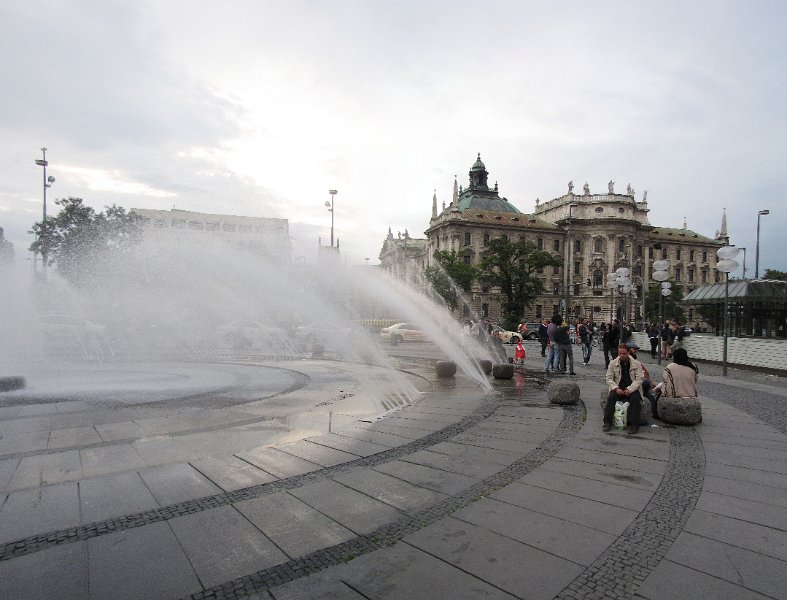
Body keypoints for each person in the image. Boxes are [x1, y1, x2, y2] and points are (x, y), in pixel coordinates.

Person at [603, 344, 644, 434]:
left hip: (631, 388)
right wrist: (615, 388)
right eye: (620, 353)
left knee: (636, 399)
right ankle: (607, 422)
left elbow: (639, 379)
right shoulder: (613, 363)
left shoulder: (636, 364)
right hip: (618, 387)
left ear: (628, 353)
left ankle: (634, 425)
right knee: (611, 398)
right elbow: (609, 378)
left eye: (624, 353)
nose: (622, 355)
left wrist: (630, 389)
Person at [626, 341, 656, 417]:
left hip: (638, 381)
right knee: (646, 388)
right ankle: (653, 411)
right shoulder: (630, 360)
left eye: (636, 349)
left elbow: (644, 371)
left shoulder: (635, 360)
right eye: (634, 349)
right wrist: (649, 381)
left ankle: (653, 410)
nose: (635, 351)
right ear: (628, 350)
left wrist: (649, 380)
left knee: (647, 390)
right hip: (633, 383)